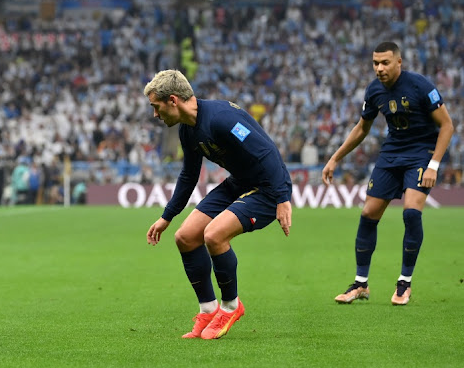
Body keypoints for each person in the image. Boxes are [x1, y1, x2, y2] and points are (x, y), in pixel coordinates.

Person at [144, 69, 292, 340]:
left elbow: (267, 152)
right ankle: (209, 309)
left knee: (213, 235)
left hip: (268, 188)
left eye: (156, 107)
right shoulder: (187, 131)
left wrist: (282, 198)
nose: (155, 114)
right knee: (186, 237)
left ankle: (231, 305)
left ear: (173, 100)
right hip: (240, 182)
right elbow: (189, 175)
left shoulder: (222, 118)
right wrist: (167, 216)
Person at [323, 41, 454, 306]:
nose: (379, 68)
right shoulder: (373, 90)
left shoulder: (420, 86)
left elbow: (447, 126)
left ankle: (404, 283)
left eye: (385, 63)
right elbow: (362, 128)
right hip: (391, 155)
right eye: (375, 63)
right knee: (368, 213)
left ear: (399, 62)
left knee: (410, 212)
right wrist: (335, 158)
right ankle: (361, 284)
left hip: (421, 154)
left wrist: (434, 165)